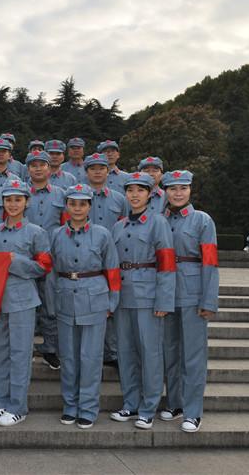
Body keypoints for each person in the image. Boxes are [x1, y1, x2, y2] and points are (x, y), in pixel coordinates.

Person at [50, 184, 120, 429]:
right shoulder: (57, 234)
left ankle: (88, 408)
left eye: (82, 204)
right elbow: (51, 272)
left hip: (95, 298)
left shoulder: (102, 234)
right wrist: (52, 302)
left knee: (91, 357)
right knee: (69, 357)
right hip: (65, 297)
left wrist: (112, 301)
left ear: (90, 206)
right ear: (66, 206)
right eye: (73, 203)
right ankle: (70, 405)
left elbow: (112, 269)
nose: (77, 208)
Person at [109, 172, 175, 430]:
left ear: (150, 194)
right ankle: (131, 403)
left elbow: (166, 264)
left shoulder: (158, 223)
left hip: (148, 296)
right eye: (130, 190)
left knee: (150, 354)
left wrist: (164, 301)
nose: (134, 195)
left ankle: (148, 408)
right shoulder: (119, 226)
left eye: (140, 190)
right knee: (125, 353)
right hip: (123, 296)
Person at [0, 180, 52, 427]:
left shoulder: (36, 232)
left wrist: (15, 261)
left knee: (20, 354)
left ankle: (17, 407)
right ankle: (0, 402)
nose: (13, 204)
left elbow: (44, 266)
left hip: (23, 298)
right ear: (2, 202)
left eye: (18, 200)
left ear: (26, 202)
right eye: (8, 200)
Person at [160, 170, 220, 433]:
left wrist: (209, 299)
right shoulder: (160, 219)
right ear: (165, 191)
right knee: (169, 352)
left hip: (193, 292)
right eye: (172, 189)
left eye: (182, 188)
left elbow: (210, 262)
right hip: (165, 292)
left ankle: (193, 411)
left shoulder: (202, 220)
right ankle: (175, 403)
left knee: (193, 356)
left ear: (190, 190)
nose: (178, 193)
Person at [25, 150, 68, 371]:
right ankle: (26, 348)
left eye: (42, 164)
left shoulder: (61, 195)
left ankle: (50, 348)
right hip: (25, 257)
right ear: (27, 169)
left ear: (50, 168)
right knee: (26, 305)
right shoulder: (20, 193)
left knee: (51, 305)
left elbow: (67, 224)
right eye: (33, 165)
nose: (38, 168)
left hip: (51, 257)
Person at [83, 152, 127, 367]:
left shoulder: (119, 199)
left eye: (101, 168)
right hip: (85, 259)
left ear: (108, 171)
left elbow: (125, 225)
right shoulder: (78, 197)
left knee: (112, 304)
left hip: (113, 257)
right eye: (93, 168)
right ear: (86, 172)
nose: (98, 172)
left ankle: (112, 351)